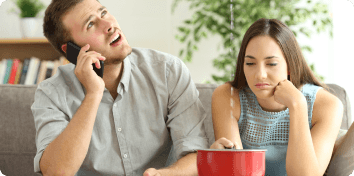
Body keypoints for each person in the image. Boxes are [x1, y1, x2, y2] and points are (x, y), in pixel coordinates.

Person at [31, 0, 209, 175]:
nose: (109, 25)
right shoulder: (51, 93)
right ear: (71, 50)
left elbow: (196, 153)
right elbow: (55, 172)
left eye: (103, 13)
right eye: (91, 24)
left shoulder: (167, 71)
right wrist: (93, 94)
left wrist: (164, 175)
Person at [209, 18, 343, 176]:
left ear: (290, 65)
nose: (260, 75)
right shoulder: (228, 96)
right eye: (250, 63)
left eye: (271, 64)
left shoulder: (328, 105)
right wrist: (216, 161)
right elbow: (237, 171)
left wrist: (297, 105)